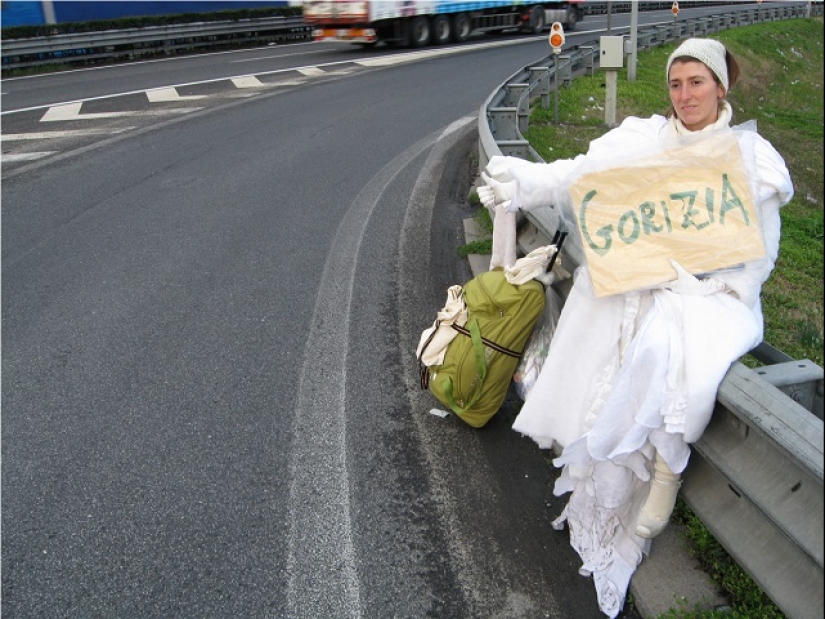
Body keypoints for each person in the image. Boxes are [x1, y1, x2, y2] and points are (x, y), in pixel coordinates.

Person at [477, 37, 793, 618]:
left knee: (671, 341)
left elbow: (756, 254)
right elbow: (580, 175)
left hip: (707, 290)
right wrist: (524, 183)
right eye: (677, 83)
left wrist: (696, 273)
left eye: (697, 82)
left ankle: (662, 474)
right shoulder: (645, 139)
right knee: (603, 311)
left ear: (721, 87)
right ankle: (599, 472)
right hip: (639, 274)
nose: (685, 94)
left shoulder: (749, 157)